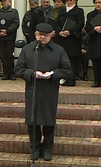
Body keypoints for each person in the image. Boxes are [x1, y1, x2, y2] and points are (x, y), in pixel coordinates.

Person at [15, 23, 71, 161]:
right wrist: (33, 74)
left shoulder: (58, 50)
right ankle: (34, 148)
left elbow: (66, 69)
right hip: (33, 89)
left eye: (45, 35)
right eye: (39, 35)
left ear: (51, 35)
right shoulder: (28, 49)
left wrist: (52, 74)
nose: (42, 38)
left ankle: (47, 149)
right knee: (32, 120)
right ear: (35, 35)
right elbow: (19, 70)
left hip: (49, 90)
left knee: (48, 121)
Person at [53, 0, 85, 86]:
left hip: (73, 39)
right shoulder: (63, 11)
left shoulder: (79, 11)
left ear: (75, 0)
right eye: (67, 0)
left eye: (71, 0)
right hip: (62, 39)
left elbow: (80, 24)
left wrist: (69, 32)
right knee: (64, 59)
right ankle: (65, 78)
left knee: (72, 59)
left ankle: (72, 79)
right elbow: (57, 23)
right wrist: (60, 31)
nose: (69, 2)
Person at [0, 0, 20, 80]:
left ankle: (11, 73)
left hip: (10, 37)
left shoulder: (14, 12)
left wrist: (7, 31)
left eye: (5, 1)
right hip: (1, 37)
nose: (4, 3)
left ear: (9, 1)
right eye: (2, 1)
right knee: (3, 56)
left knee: (9, 55)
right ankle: (5, 73)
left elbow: (16, 23)